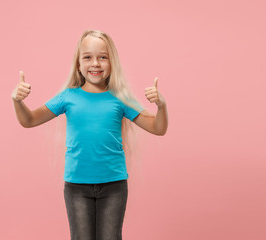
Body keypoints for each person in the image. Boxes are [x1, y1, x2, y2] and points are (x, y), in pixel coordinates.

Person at [11, 29, 168, 240]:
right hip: (76, 186)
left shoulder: (119, 99)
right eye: (88, 57)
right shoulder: (68, 97)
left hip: (114, 186)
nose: (95, 63)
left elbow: (158, 128)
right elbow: (28, 120)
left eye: (103, 57)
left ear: (112, 63)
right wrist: (17, 101)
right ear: (78, 64)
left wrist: (161, 105)